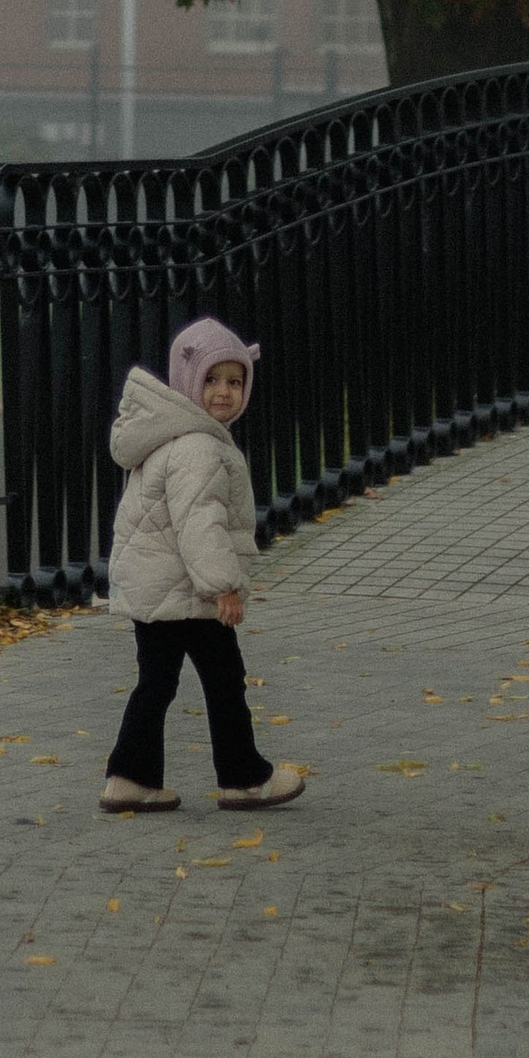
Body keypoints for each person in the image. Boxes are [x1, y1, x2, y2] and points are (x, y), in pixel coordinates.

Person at [97, 317, 307, 815]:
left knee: (159, 681)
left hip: (158, 587)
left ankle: (131, 778)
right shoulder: (199, 447)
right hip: (187, 590)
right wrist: (223, 587)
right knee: (223, 678)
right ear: (188, 383)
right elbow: (200, 525)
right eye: (211, 380)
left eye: (235, 382)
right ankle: (245, 778)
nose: (223, 392)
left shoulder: (173, 435)